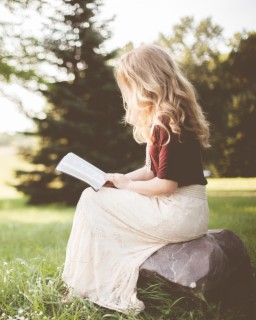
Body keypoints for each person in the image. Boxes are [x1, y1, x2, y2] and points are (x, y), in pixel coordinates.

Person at [61, 44, 210, 315]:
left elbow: (165, 185)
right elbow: (151, 170)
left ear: (145, 82)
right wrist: (115, 179)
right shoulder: (168, 115)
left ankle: (83, 285)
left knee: (90, 200)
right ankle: (85, 282)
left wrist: (127, 187)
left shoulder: (166, 120)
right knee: (96, 196)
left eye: (129, 85)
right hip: (187, 211)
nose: (127, 93)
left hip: (179, 211)